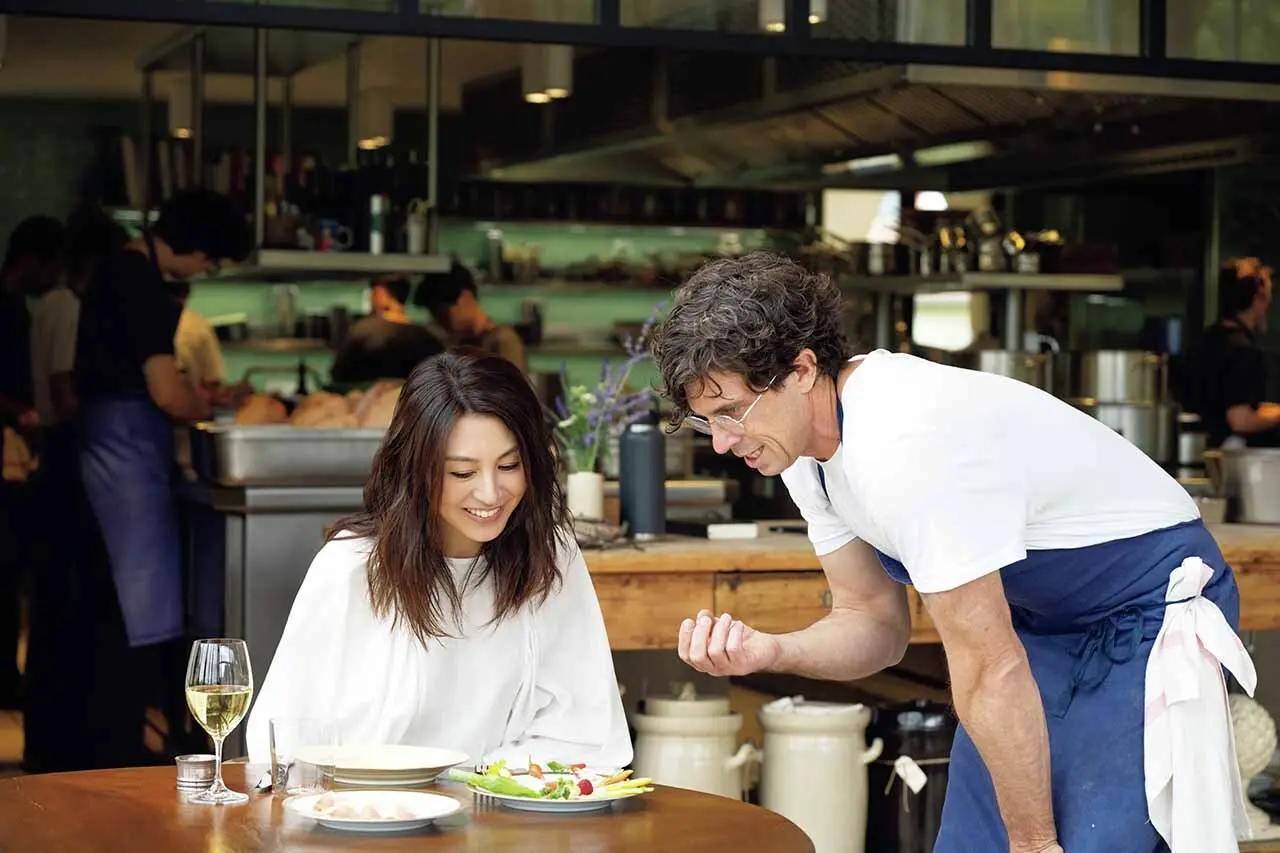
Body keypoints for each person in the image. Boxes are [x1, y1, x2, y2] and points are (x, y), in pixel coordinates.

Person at [650, 251, 1257, 853]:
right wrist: (773, 651)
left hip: (1147, 611)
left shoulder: (904, 445)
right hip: (1041, 628)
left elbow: (992, 668)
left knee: (1079, 842)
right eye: (708, 422)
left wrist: (1034, 845)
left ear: (802, 369)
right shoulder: (802, 454)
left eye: (731, 413)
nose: (723, 443)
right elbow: (874, 624)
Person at [246, 351, 631, 769]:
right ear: (416, 470)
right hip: (367, 804)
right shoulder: (352, 567)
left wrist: (480, 786)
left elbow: (587, 734)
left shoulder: (550, 556)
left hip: (503, 805)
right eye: (462, 473)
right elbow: (282, 740)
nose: (490, 493)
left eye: (509, 465)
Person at [74, 188, 251, 764]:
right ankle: (128, 744)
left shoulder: (120, 272)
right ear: (198, 246)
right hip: (123, 453)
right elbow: (166, 392)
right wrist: (203, 406)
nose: (206, 269)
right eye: (212, 260)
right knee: (135, 600)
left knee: (126, 599)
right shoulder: (138, 281)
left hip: (118, 447)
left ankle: (131, 734)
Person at [0, 215, 66, 711]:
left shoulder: (24, 309)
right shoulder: (13, 309)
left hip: (17, 461)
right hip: (9, 460)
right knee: (7, 574)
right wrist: (21, 414)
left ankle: (9, 678)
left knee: (11, 576)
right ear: (34, 262)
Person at [1190, 257, 1280, 448]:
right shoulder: (1242, 351)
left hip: (1197, 451)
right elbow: (1239, 419)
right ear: (1259, 298)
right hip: (1228, 458)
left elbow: (1232, 403)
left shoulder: (1208, 340)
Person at [330, 274, 445, 384]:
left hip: (367, 395)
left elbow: (338, 373)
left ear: (380, 293)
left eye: (372, 291)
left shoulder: (364, 330)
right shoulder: (428, 336)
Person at [416, 261, 527, 371]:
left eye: (443, 315)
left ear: (465, 297)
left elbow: (512, 382)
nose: (441, 323)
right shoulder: (462, 343)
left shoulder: (502, 340)